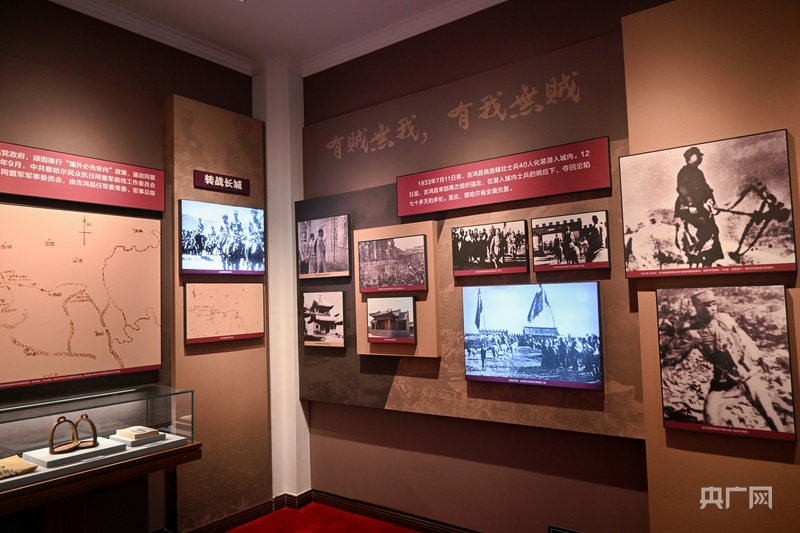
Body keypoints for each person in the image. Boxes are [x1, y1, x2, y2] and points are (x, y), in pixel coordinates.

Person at [661, 290, 785, 432]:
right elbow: (677, 354)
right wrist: (668, 356)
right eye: (708, 305)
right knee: (710, 413)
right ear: (697, 308)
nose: (713, 308)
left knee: (768, 412)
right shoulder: (693, 331)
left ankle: (783, 437)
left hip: (748, 373)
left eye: (714, 304)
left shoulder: (725, 318)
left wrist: (759, 357)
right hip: (724, 380)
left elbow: (743, 337)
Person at [674, 146, 724, 266]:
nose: (700, 158)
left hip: (698, 206)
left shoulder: (699, 173)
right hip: (685, 207)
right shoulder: (684, 172)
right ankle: (694, 251)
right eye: (697, 155)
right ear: (690, 158)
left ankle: (710, 257)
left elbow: (706, 189)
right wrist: (690, 205)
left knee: (713, 228)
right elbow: (683, 190)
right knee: (706, 225)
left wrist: (711, 201)